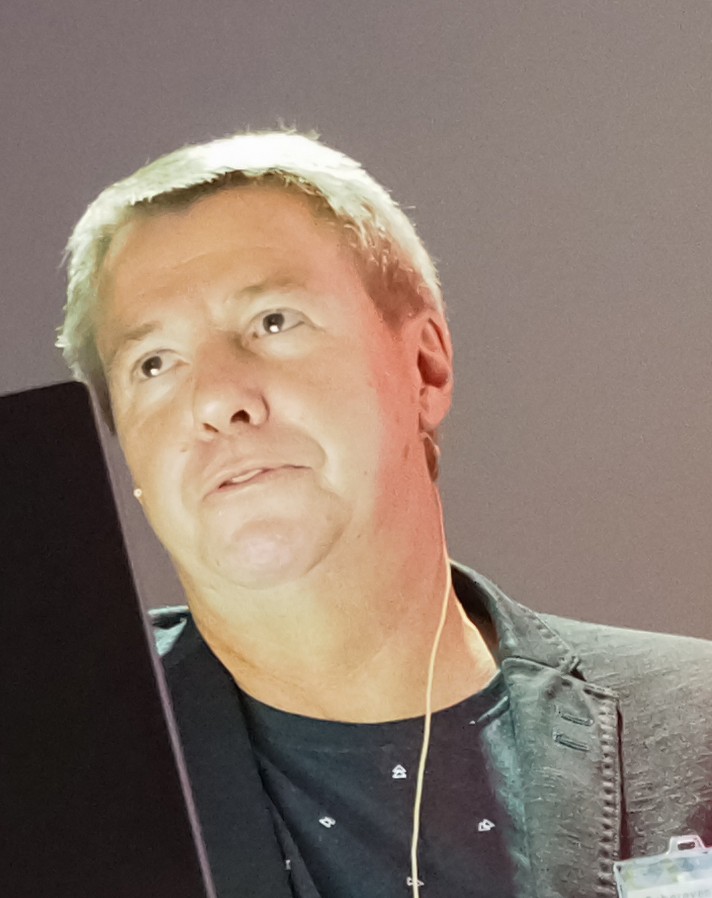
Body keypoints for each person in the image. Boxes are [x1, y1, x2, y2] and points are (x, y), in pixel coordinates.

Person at [57, 131, 712, 898]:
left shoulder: (695, 726)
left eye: (273, 321)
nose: (217, 400)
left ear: (424, 367)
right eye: (153, 364)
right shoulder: (41, 773)